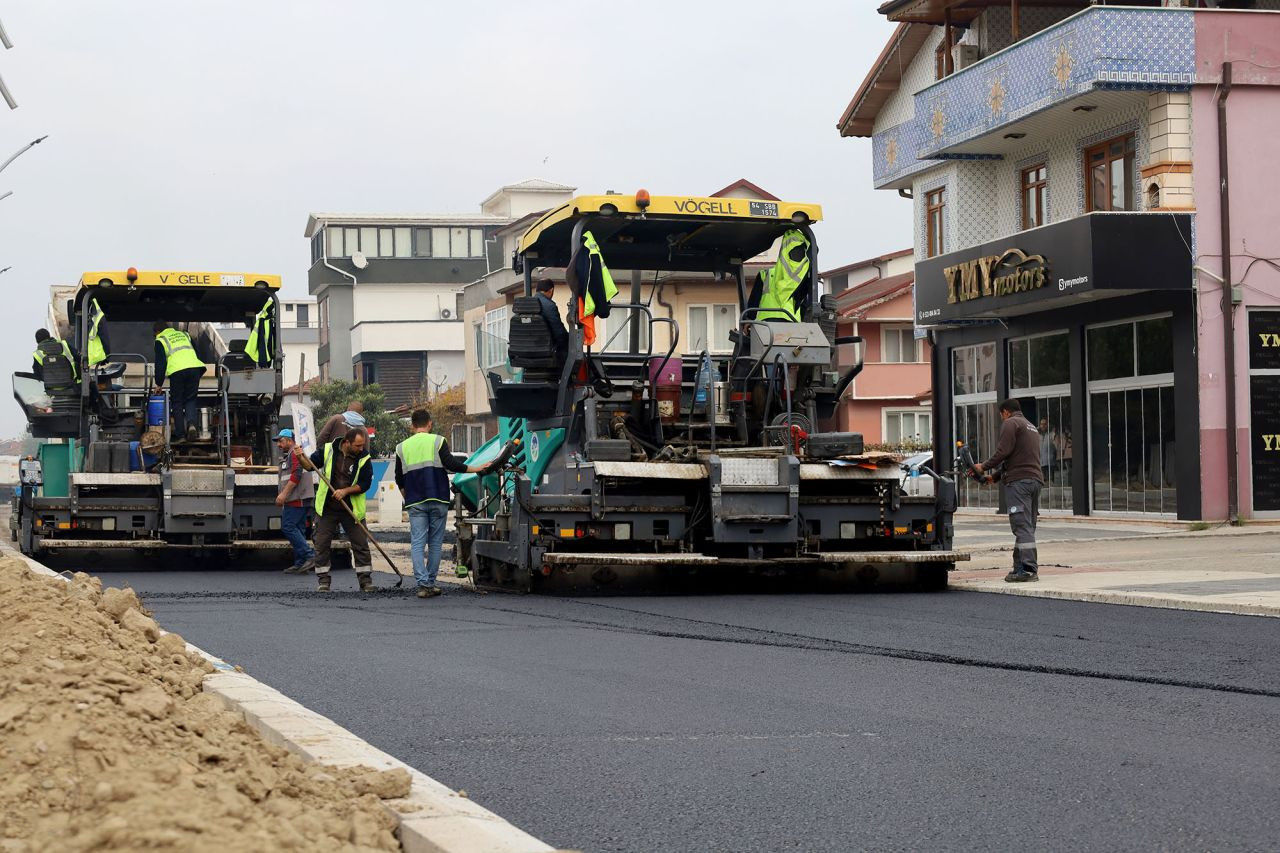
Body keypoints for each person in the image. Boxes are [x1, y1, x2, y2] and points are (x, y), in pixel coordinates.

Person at [394, 409, 490, 598]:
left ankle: (422, 585)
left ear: (412, 426)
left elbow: (399, 478)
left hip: (415, 501)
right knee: (435, 543)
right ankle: (431, 583)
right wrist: (476, 468)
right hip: (438, 498)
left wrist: (408, 497)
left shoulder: (401, 447)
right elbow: (452, 464)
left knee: (418, 543)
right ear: (429, 423)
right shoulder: (438, 440)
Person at [972, 398, 1044, 583]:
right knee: (1027, 526)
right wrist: (994, 477)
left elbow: (1003, 452)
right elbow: (1016, 457)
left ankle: (1028, 569)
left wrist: (984, 467)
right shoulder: (1030, 426)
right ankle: (1019, 567)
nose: (1002, 418)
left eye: (1001, 415)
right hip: (1034, 481)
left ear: (1005, 412)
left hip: (1019, 482)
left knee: (1021, 525)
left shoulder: (1011, 423)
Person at [297, 427, 375, 593]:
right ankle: (323, 581)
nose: (361, 448)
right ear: (347, 442)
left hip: (352, 510)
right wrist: (300, 456)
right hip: (327, 509)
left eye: (362, 445)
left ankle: (365, 581)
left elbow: (365, 483)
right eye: (358, 445)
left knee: (360, 544)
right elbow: (309, 466)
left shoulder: (364, 457)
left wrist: (345, 491)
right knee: (321, 544)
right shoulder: (327, 450)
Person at [153, 321, 207, 441]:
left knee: (177, 402)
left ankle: (181, 435)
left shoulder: (160, 340)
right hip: (194, 368)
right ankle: (192, 425)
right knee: (191, 399)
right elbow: (197, 353)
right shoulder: (184, 334)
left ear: (157, 332)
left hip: (177, 371)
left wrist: (159, 384)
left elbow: (160, 364)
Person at [273, 428, 316, 575]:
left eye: (280, 441)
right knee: (298, 529)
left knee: (288, 527)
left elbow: (296, 475)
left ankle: (309, 556)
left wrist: (283, 495)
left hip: (297, 498)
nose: (278, 444)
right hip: (299, 497)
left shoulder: (295, 453)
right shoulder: (292, 454)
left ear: (289, 440)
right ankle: (300, 564)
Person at [534, 278, 569, 361]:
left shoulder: (524, 305)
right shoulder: (549, 306)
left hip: (525, 350)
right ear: (551, 290)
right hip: (545, 349)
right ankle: (564, 373)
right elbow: (559, 333)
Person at [1038, 417, 1056, 483]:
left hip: (1050, 461)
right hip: (1041, 461)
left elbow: (1056, 445)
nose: (1043, 425)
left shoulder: (1051, 434)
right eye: (1041, 424)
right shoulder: (1038, 435)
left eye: (1044, 424)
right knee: (1043, 480)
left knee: (1051, 480)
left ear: (1047, 425)